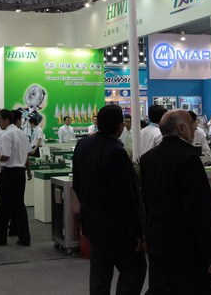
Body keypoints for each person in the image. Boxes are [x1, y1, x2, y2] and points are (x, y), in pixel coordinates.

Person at [141, 109, 211, 294]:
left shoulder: (148, 159)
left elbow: (147, 202)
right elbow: (200, 210)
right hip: (187, 247)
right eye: (192, 124)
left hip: (158, 244)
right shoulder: (189, 158)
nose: (195, 128)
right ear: (181, 128)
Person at [72, 105, 146, 295]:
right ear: (120, 126)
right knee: (134, 269)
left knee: (100, 273)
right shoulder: (116, 151)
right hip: (117, 228)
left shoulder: (83, 145)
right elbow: (125, 196)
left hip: (92, 223)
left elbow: (77, 185)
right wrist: (137, 231)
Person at [0, 109, 31, 246]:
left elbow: (5, 156)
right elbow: (27, 154)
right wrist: (29, 170)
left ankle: (0, 238)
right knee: (20, 205)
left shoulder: (6, 134)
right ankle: (25, 238)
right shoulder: (22, 133)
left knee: (4, 205)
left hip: (8, 173)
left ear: (6, 120)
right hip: (20, 173)